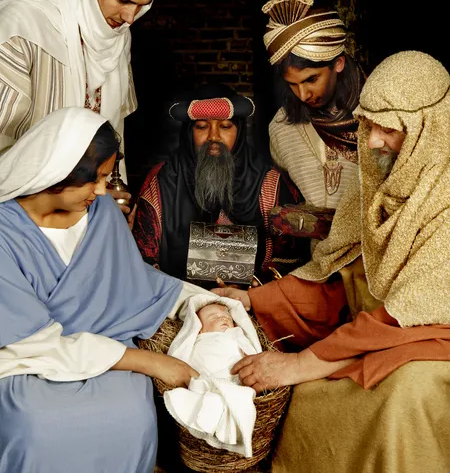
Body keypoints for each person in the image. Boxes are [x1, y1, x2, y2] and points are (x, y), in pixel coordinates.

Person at [213, 51, 450, 472]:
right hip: (377, 339)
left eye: (388, 130)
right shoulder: (378, 179)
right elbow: (339, 279)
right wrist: (253, 302)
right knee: (308, 398)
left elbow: (407, 318)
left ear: (425, 132)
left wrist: (300, 364)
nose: (372, 141)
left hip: (430, 350)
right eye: (368, 124)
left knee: (404, 397)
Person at [0, 106, 213, 473]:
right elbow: (29, 343)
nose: (102, 191)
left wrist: (203, 300)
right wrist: (152, 363)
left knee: (130, 415)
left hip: (106, 349)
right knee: (39, 425)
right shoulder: (4, 232)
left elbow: (136, 280)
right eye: (93, 179)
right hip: (28, 361)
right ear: (57, 173)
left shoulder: (103, 215)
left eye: (106, 177)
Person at [0, 0, 168, 214]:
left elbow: (112, 132)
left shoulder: (117, 34)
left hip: (87, 204)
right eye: (123, 0)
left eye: (142, 6)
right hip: (15, 208)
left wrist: (111, 201)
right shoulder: (23, 20)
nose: (130, 17)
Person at [132, 82, 303, 283]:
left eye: (225, 126)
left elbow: (292, 255)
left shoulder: (269, 182)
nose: (213, 137)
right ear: (189, 131)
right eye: (202, 127)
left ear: (239, 131)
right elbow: (142, 257)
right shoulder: (163, 180)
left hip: (252, 301)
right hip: (180, 300)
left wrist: (259, 283)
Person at [262, 0, 366, 209]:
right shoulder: (281, 127)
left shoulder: (379, 117)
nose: (303, 94)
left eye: (311, 79)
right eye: (293, 84)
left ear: (337, 64)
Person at [163, 294, 261, 457]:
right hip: (207, 376)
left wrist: (248, 354)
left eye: (226, 316)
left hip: (235, 376)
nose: (223, 318)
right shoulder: (197, 341)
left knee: (238, 386)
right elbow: (183, 362)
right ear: (199, 327)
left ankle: (225, 393)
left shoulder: (236, 335)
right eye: (214, 317)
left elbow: (253, 357)